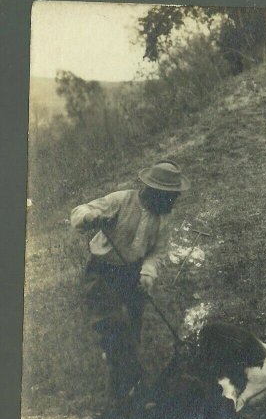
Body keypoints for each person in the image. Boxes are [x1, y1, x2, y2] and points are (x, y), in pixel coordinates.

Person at [70, 161, 190, 401]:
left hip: (132, 275)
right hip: (103, 273)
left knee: (131, 336)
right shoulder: (121, 200)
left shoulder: (163, 218)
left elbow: (158, 251)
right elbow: (78, 212)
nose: (172, 202)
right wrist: (89, 216)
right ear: (154, 192)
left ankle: (122, 396)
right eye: (169, 197)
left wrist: (147, 272)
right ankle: (132, 390)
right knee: (116, 329)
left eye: (174, 198)